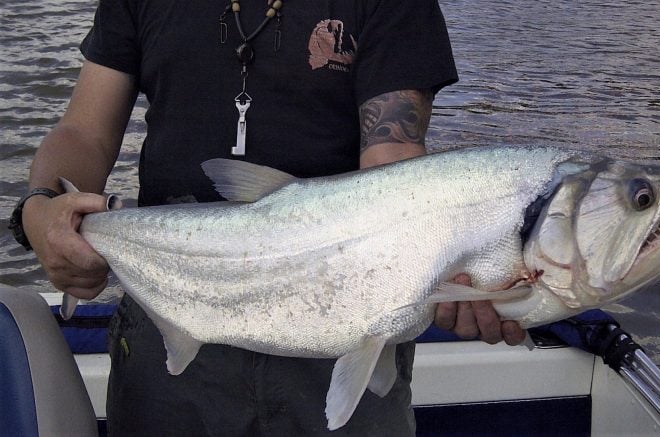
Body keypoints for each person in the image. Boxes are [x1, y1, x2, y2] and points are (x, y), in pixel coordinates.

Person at [13, 0, 525, 435]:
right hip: (166, 302)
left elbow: (393, 158)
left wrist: (452, 262)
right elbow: (84, 132)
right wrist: (41, 207)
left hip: (349, 316)